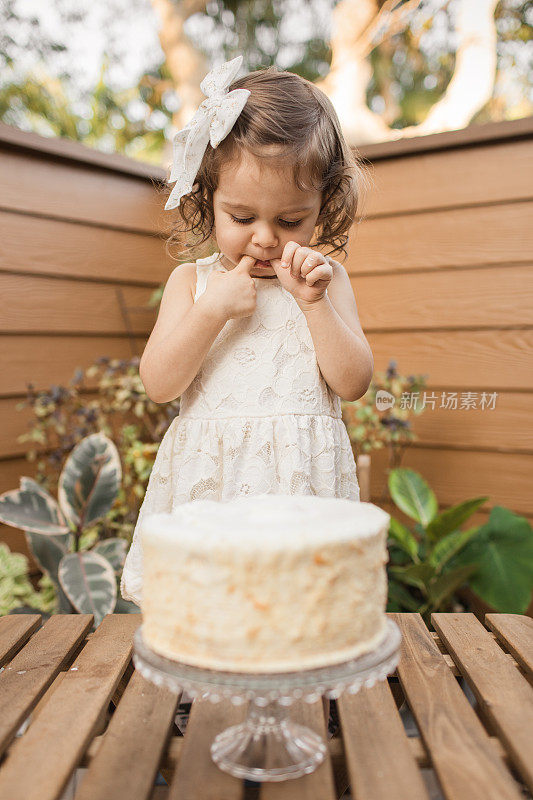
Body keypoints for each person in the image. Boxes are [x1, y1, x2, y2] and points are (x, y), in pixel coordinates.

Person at [121, 54, 374, 739]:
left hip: (298, 486)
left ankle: (302, 706)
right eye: (240, 215)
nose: (264, 238)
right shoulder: (192, 283)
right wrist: (211, 312)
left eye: (290, 219)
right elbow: (159, 382)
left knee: (298, 605)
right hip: (216, 487)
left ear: (324, 207)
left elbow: (352, 383)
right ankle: (199, 705)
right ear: (205, 201)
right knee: (211, 604)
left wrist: (316, 306)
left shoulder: (325, 280)